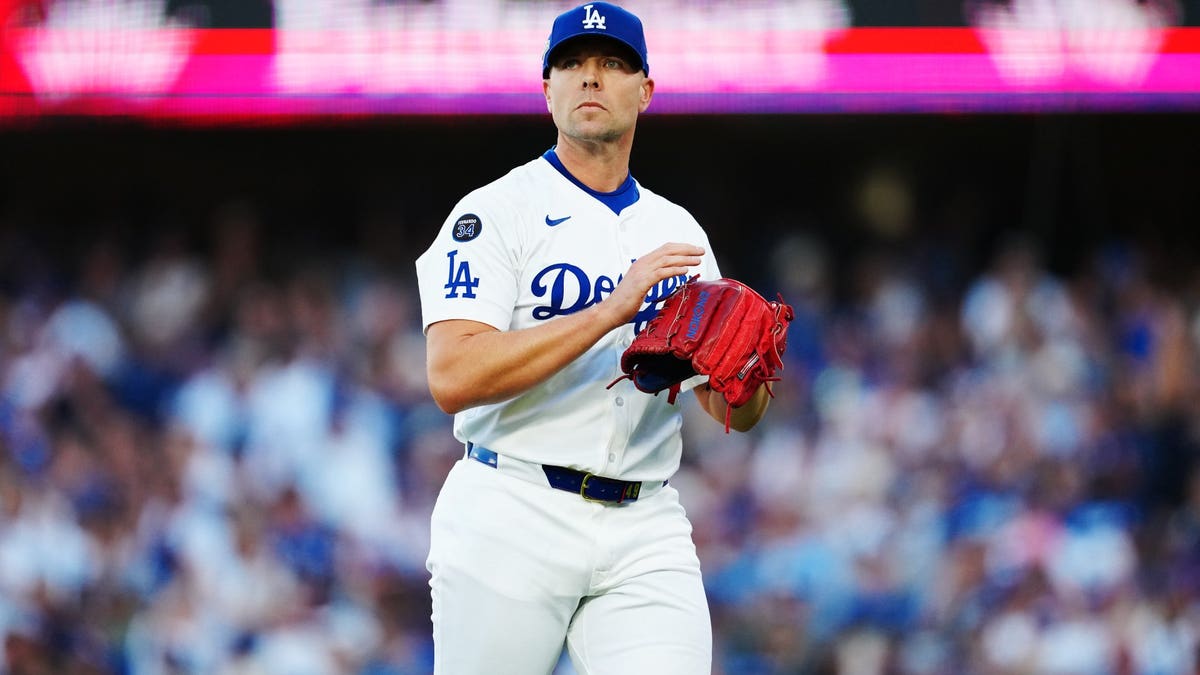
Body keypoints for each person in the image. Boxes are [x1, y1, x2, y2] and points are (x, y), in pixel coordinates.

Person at [414, 3, 772, 672]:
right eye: (572, 64)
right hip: (512, 508)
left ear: (645, 91)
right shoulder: (494, 212)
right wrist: (611, 309)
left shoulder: (680, 232)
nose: (590, 79)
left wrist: (745, 377)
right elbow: (452, 375)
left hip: (644, 520)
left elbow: (731, 412)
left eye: (612, 64)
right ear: (546, 89)